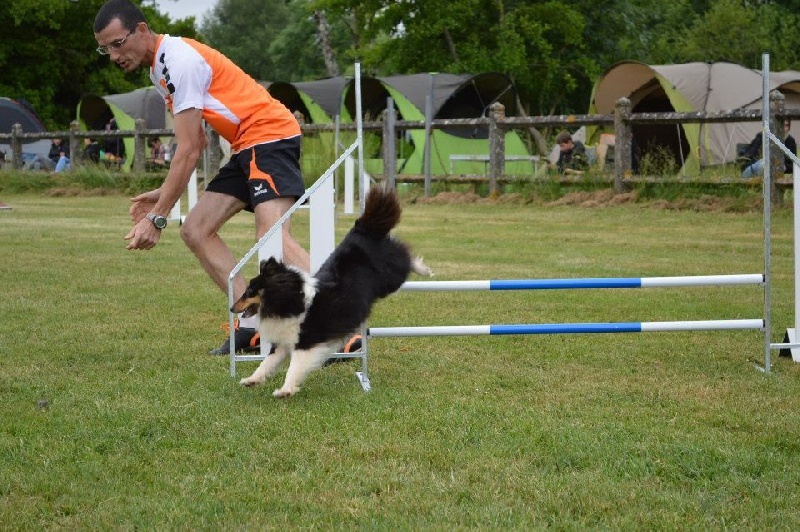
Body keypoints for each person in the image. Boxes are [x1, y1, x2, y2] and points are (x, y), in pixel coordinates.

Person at [94, 0, 312, 356]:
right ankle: (253, 323)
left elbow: (190, 150)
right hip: (245, 144)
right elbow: (196, 139)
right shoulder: (159, 70)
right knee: (196, 230)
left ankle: (339, 323)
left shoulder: (179, 61)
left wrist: (157, 218)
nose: (115, 55)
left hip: (269, 136)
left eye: (118, 43)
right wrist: (162, 192)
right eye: (106, 49)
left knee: (271, 238)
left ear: (143, 30)